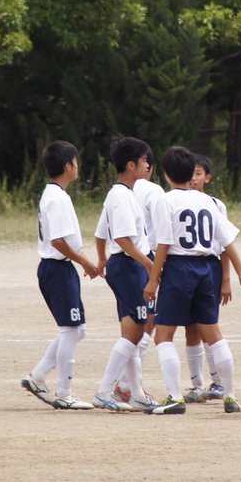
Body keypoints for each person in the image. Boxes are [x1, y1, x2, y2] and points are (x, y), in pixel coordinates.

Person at [145, 147, 241, 415]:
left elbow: (164, 243)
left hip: (180, 267)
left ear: (167, 174)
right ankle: (230, 395)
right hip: (208, 267)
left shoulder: (166, 200)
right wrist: (240, 270)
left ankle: (174, 397)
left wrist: (152, 279)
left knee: (164, 335)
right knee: (213, 333)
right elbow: (226, 240)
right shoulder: (207, 201)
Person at [21, 140, 102, 411]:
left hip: (61, 268)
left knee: (78, 330)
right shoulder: (56, 198)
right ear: (68, 166)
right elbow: (57, 241)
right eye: (76, 162)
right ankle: (64, 392)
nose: (78, 167)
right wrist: (86, 262)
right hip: (57, 268)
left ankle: (38, 376)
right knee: (70, 330)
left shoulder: (56, 195)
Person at [92, 137, 157, 412]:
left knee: (134, 330)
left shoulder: (124, 193)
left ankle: (136, 391)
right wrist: (149, 265)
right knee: (135, 333)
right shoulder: (120, 196)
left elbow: (99, 233)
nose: (147, 166)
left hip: (125, 265)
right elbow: (123, 239)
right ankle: (104, 391)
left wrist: (102, 259)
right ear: (131, 165)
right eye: (143, 161)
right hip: (129, 265)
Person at [182, 154, 232, 404]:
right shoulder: (178, 202)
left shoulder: (215, 204)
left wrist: (226, 279)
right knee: (190, 328)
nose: (193, 178)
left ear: (208, 177)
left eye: (199, 173)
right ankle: (196, 384)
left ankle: (219, 382)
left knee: (208, 325)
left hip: (209, 267)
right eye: (190, 173)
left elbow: (224, 246)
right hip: (185, 266)